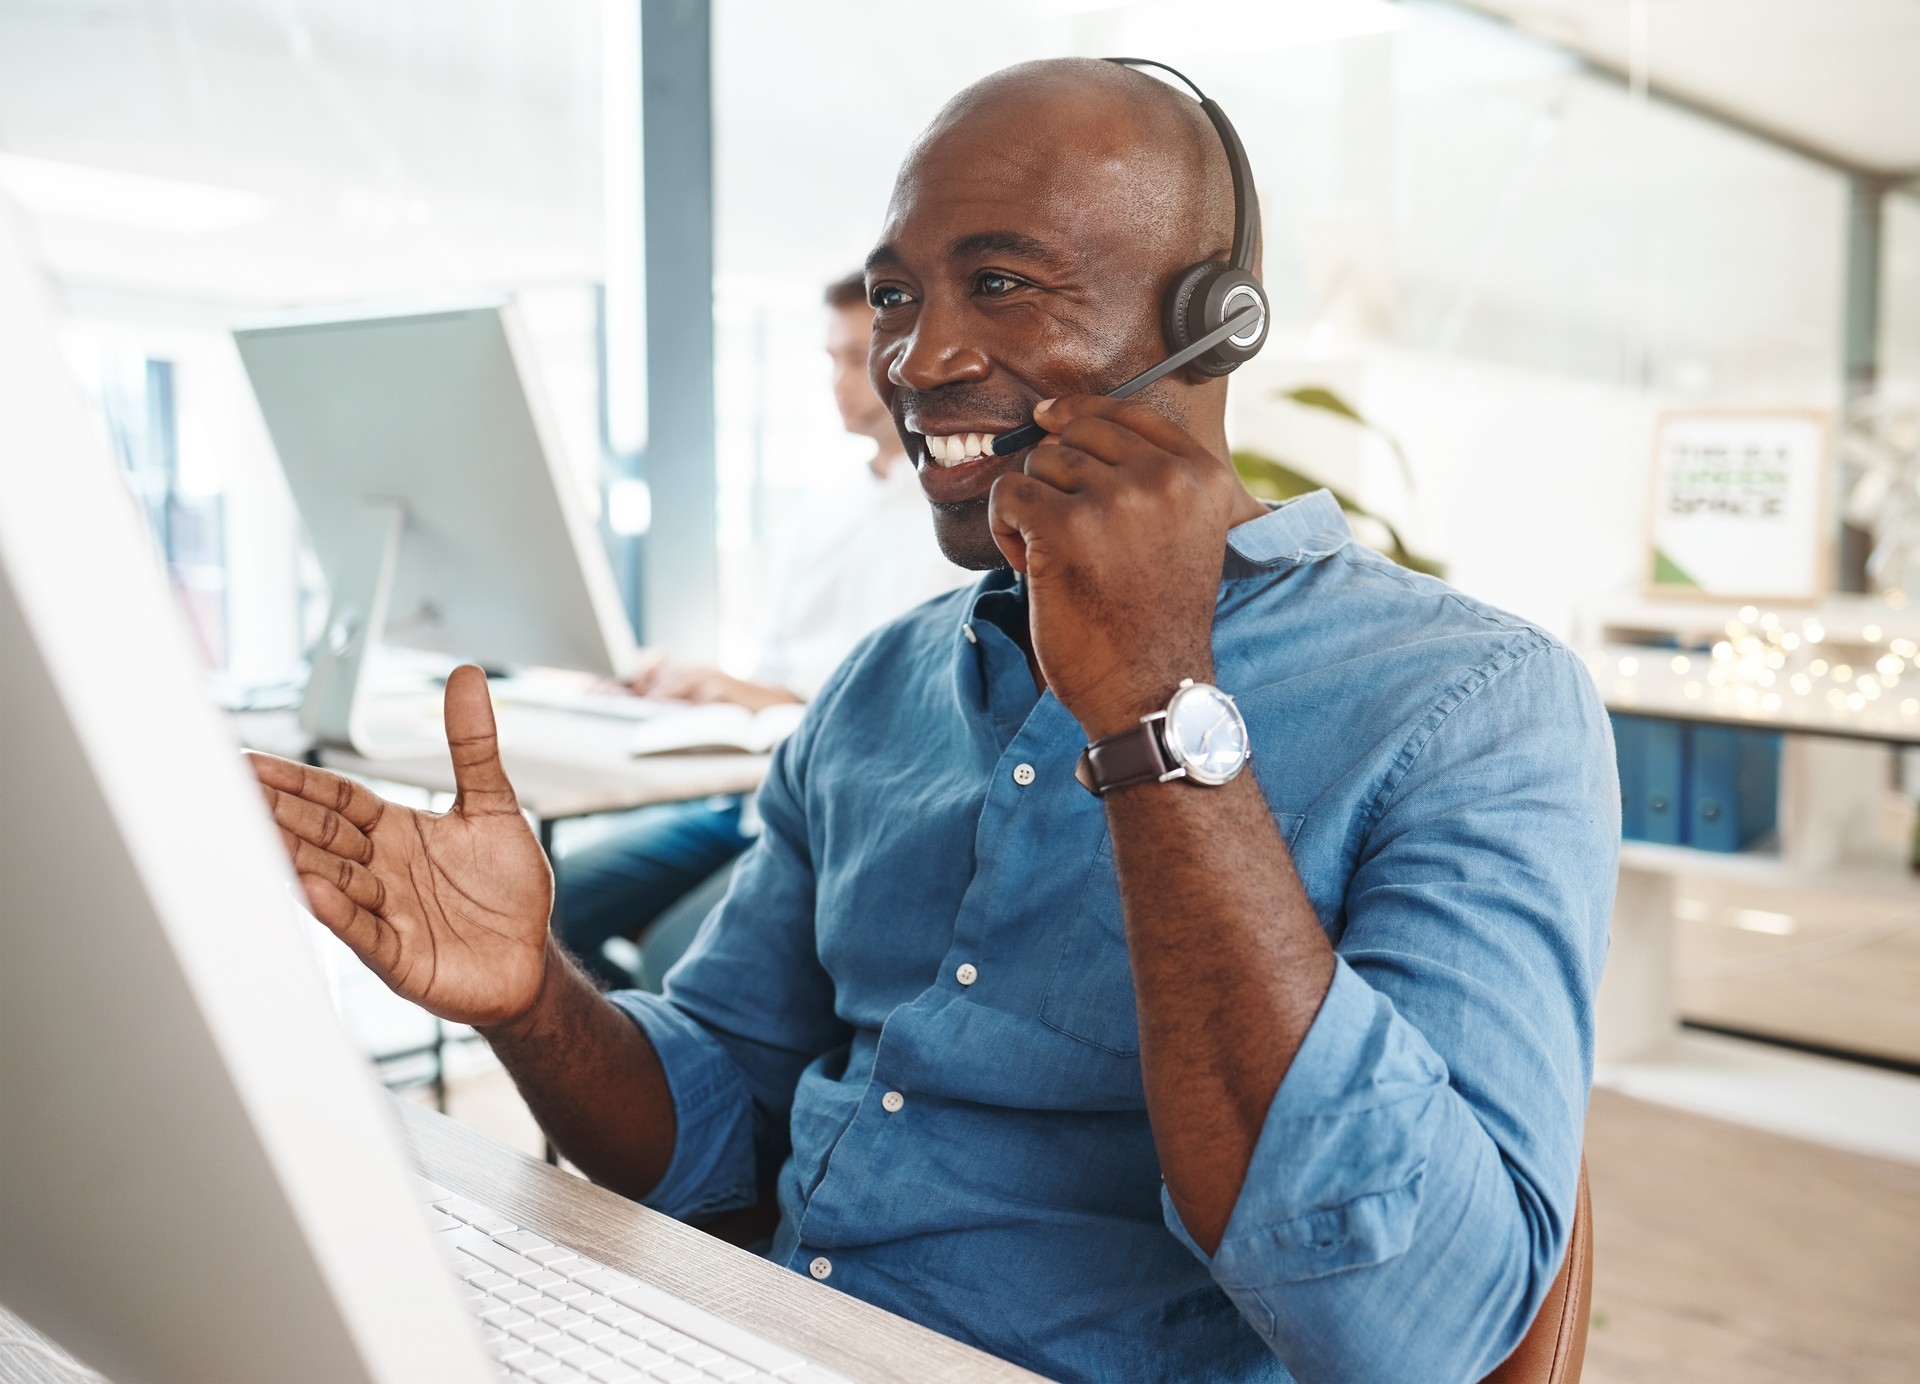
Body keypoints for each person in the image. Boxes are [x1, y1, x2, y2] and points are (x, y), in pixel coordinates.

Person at [251, 58, 1616, 1384]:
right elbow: (722, 1124)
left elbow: (1419, 1336)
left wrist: (1154, 703)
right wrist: (533, 994)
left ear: (1215, 323)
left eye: (1004, 286)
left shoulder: (1470, 707)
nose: (921, 357)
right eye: (901, 296)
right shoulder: (875, 689)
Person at [554, 273, 970, 992]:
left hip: (843, 821)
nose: (843, 380)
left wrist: (740, 692)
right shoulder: (818, 519)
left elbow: (908, 724)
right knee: (548, 905)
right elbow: (777, 678)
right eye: (831, 358)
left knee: (677, 958)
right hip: (747, 804)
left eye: (856, 356)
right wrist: (689, 687)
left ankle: (676, 1068)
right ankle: (645, 1062)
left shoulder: (963, 531)